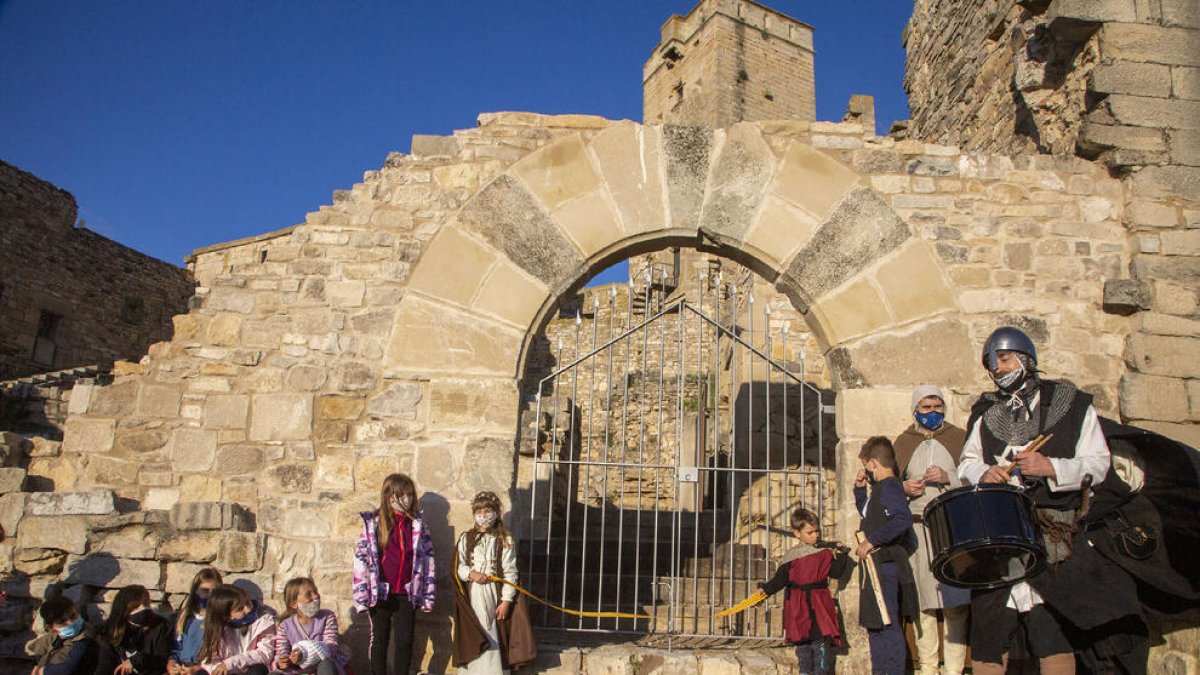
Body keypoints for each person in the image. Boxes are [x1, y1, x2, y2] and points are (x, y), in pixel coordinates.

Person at [957, 326, 1111, 675]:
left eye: (1004, 359)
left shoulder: (1070, 405)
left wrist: (1052, 467)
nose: (997, 369)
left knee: (1053, 633)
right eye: (992, 364)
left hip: (1052, 534)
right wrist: (983, 472)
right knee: (988, 633)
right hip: (998, 536)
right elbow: (966, 463)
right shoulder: (985, 411)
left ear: (1026, 358)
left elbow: (1099, 464)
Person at [893, 385, 970, 675]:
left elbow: (975, 475)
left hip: (951, 526)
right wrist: (904, 487)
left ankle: (954, 669)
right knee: (923, 603)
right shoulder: (904, 442)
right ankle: (927, 667)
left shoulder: (958, 438)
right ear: (915, 410)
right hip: (919, 529)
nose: (933, 412)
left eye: (938, 407)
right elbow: (887, 485)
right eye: (926, 407)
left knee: (956, 602)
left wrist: (948, 476)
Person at [352, 473, 436, 675]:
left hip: (407, 592)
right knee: (380, 639)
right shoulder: (374, 524)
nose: (406, 499)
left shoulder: (417, 525)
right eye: (401, 495)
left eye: (409, 494)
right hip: (380, 592)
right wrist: (361, 593)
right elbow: (361, 558)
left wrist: (428, 594)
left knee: (405, 640)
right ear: (388, 496)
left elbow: (428, 559)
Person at [753, 507, 849, 675]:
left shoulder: (824, 552)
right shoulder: (792, 556)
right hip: (798, 604)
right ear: (797, 533)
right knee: (802, 644)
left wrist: (841, 555)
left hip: (820, 602)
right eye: (810, 532)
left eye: (817, 531)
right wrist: (765, 590)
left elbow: (835, 573)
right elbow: (780, 580)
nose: (815, 535)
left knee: (821, 641)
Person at [854, 436, 918, 675]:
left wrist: (872, 540)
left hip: (886, 565)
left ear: (873, 463)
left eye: (865, 466)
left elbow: (902, 519)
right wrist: (859, 490)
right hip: (875, 565)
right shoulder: (879, 490)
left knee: (887, 622)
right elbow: (869, 513)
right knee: (876, 623)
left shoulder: (890, 486)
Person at [454, 491, 518, 675]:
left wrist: (506, 601)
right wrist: (471, 574)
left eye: (488, 511)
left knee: (493, 632)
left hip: (493, 594)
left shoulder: (505, 540)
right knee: (473, 631)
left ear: (496, 512)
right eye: (479, 512)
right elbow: (459, 566)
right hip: (472, 595)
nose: (483, 515)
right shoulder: (466, 538)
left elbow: (511, 572)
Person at [271, 577, 348, 675]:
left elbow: (331, 647)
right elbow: (281, 653)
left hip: (321, 668)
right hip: (297, 671)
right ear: (294, 604)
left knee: (327, 664)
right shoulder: (285, 626)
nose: (316, 596)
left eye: (315, 591)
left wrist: (305, 652)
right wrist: (283, 662)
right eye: (308, 594)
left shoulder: (327, 617)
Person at [196, 585, 275, 675]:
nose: (248, 609)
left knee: (258, 670)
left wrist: (229, 664)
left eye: (247, 602)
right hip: (229, 672)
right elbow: (208, 659)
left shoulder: (263, 621)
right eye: (240, 609)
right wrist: (217, 669)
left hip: (249, 670)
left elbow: (265, 654)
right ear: (226, 616)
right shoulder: (216, 628)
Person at [95, 585, 173, 675]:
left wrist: (136, 661)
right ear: (124, 609)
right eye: (136, 606)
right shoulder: (109, 630)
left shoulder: (161, 626)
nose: (143, 608)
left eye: (146, 604)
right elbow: (104, 666)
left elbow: (162, 660)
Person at [169, 567, 223, 675]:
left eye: (214, 591)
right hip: (182, 667)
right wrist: (172, 663)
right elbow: (177, 646)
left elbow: (220, 654)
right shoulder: (185, 616)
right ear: (195, 590)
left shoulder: (220, 620)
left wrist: (197, 668)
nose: (210, 595)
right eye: (205, 590)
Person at [26, 596, 97, 675]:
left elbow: (68, 669)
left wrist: (41, 671)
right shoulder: (55, 637)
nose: (70, 622)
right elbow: (34, 648)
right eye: (62, 622)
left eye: (73, 616)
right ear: (50, 628)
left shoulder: (83, 641)